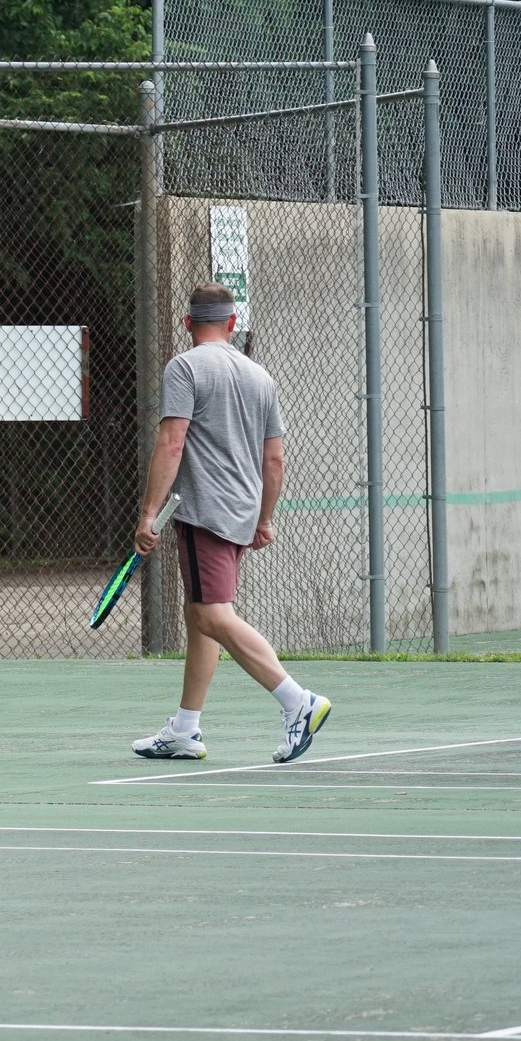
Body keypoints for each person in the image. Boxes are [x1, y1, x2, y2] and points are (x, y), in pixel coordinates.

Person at [130, 284, 331, 765]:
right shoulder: (260, 376)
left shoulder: (184, 367)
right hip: (240, 513)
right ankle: (185, 729)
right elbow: (275, 458)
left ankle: (298, 701)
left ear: (187, 323)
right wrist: (264, 518)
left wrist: (148, 514)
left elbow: (172, 442)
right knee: (200, 614)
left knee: (211, 615)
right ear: (232, 323)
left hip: (205, 512)